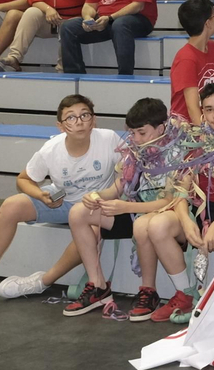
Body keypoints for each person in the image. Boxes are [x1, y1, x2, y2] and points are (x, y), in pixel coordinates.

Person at [0, 94, 120, 313]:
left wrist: (111, 196)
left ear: (94, 120)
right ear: (61, 126)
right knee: (10, 206)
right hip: (63, 200)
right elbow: (23, 179)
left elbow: (128, 173)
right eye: (71, 118)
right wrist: (41, 196)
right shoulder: (51, 149)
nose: (79, 121)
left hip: (95, 207)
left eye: (85, 115)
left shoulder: (109, 139)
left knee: (92, 232)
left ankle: (42, 282)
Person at [128, 84, 214, 323]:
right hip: (199, 211)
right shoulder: (195, 143)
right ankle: (185, 294)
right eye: (209, 109)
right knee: (157, 225)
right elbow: (181, 190)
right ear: (202, 113)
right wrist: (185, 221)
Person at [60, 98, 179, 316]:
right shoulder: (134, 152)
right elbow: (118, 187)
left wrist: (124, 207)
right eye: (132, 133)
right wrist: (97, 196)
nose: (135, 138)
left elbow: (170, 202)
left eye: (141, 133)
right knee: (78, 212)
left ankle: (149, 290)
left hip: (165, 217)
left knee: (143, 225)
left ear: (161, 128)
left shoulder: (176, 153)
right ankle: (98, 286)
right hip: (131, 211)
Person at [169, 0, 214, 124]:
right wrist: (206, 136)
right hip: (188, 127)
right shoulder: (186, 58)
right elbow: (193, 109)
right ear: (207, 23)